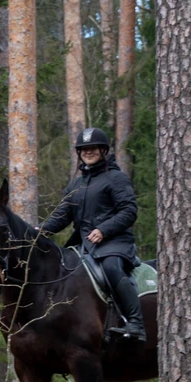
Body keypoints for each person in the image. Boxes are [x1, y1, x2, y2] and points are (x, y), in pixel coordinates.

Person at [40, 126, 145, 341]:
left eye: (94, 147)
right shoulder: (75, 185)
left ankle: (136, 323)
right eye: (84, 148)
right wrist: (39, 231)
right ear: (79, 152)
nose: (88, 151)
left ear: (103, 150)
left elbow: (129, 211)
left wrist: (104, 230)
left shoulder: (116, 178)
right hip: (84, 245)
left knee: (111, 268)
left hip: (114, 243)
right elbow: (61, 216)